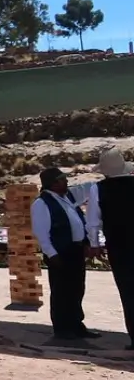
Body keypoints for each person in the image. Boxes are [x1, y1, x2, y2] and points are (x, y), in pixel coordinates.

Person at [31, 166, 100, 340]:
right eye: (62, 179)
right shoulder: (41, 203)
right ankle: (62, 329)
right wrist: (52, 254)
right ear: (53, 184)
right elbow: (41, 233)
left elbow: (86, 195)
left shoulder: (68, 197)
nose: (66, 182)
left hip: (75, 250)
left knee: (77, 289)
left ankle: (76, 325)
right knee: (61, 291)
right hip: (60, 253)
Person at [86, 148, 134, 350]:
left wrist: (95, 245)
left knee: (128, 292)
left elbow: (93, 222)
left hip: (119, 247)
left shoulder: (98, 189)